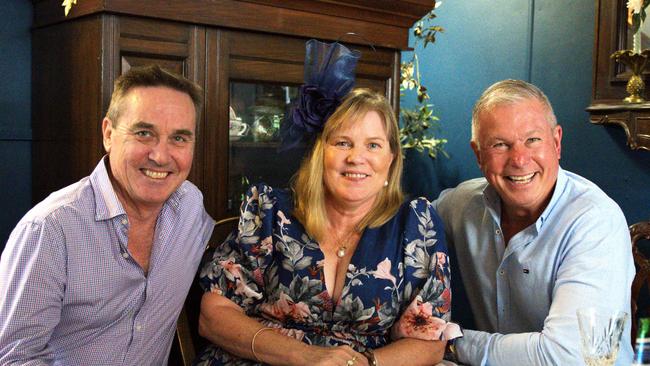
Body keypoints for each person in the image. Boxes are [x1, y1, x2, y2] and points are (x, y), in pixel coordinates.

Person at [195, 79, 462, 365]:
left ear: (391, 160)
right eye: (342, 142)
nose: (356, 158)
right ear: (320, 154)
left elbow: (430, 340)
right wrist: (306, 356)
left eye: (373, 145)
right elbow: (214, 315)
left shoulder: (416, 224)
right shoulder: (270, 212)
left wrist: (363, 364)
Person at [0, 65, 215, 365]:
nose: (161, 156)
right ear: (109, 134)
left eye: (179, 138)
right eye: (144, 133)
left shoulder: (190, 208)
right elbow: (14, 358)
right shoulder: (49, 230)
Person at [433, 79, 635, 365]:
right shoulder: (462, 205)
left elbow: (567, 357)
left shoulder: (595, 222)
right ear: (479, 155)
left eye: (532, 140)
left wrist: (452, 344)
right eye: (500, 144)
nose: (519, 159)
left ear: (556, 142)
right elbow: (405, 230)